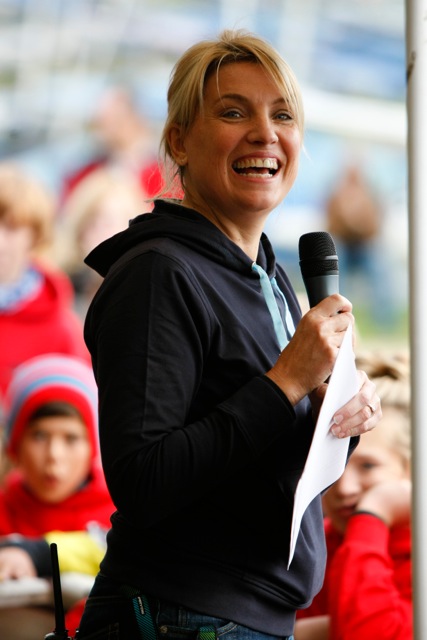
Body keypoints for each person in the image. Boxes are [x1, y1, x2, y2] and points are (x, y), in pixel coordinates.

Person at [76, 29, 381, 640]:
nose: (265, 133)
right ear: (179, 141)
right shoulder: (159, 273)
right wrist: (286, 382)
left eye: (282, 115)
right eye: (234, 112)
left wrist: (334, 416)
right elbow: (144, 480)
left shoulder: (267, 275)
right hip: (182, 615)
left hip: (245, 616)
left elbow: (259, 458)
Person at [294, 350, 411, 640]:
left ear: (411, 469)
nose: (344, 488)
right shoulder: (313, 544)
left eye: (368, 466)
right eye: (336, 462)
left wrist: (374, 513)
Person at [0, 353, 115, 639]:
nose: (54, 455)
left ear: (93, 447)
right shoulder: (5, 509)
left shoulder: (121, 511)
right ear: (15, 444)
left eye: (71, 438)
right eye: (39, 436)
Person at [0, 163, 90, 407]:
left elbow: (78, 412)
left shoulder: (60, 327)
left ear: (35, 237)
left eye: (11, 229)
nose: (0, 242)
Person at [56, 167, 147, 317]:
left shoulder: (145, 288)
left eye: (109, 223)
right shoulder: (62, 290)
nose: (100, 232)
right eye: (92, 222)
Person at [60, 86, 163, 206]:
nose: (100, 130)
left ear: (133, 119)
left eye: (113, 119)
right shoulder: (86, 173)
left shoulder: (162, 176)